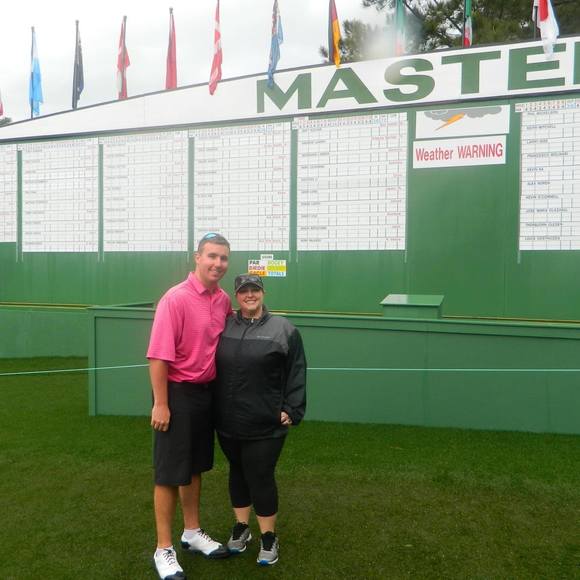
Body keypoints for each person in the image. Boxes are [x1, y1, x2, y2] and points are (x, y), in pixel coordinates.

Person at [147, 233, 232, 580]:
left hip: (205, 394)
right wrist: (161, 403)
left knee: (195, 467)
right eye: (212, 256)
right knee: (169, 473)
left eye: (223, 258)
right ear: (197, 257)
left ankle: (192, 532)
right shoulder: (175, 298)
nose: (218, 263)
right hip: (176, 394)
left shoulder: (223, 300)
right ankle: (163, 548)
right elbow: (158, 356)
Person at [213, 273, 307, 566]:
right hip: (228, 421)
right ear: (236, 295)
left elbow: (297, 369)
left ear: (263, 293)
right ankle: (241, 527)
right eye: (244, 291)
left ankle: (268, 536)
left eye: (255, 290)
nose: (250, 295)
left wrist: (292, 408)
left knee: (260, 475)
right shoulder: (224, 325)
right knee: (237, 471)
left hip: (266, 423)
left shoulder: (283, 328)